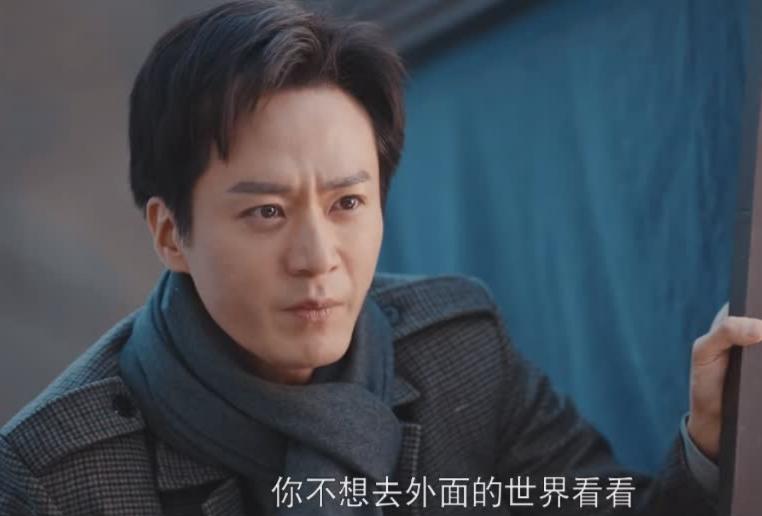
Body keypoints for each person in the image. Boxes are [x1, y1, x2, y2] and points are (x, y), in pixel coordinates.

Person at [0, 1, 757, 514]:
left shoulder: (459, 350)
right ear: (171, 234)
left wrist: (707, 439)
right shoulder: (57, 475)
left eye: (347, 204)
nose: (317, 258)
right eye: (266, 212)